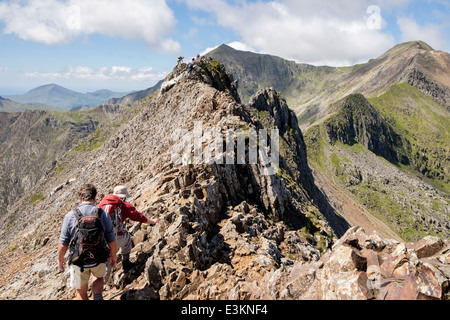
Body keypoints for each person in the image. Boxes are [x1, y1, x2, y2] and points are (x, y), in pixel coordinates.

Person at [58, 184, 117, 300]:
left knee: (80, 290)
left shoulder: (70, 216)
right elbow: (111, 239)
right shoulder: (102, 214)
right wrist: (113, 255)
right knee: (99, 277)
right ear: (95, 198)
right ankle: (98, 297)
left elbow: (63, 243)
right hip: (98, 257)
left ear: (80, 198)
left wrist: (60, 259)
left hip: (78, 260)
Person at [98, 185, 160, 283]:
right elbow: (137, 216)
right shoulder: (123, 205)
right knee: (127, 240)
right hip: (115, 236)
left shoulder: (102, 203)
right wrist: (152, 221)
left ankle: (98, 288)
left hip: (100, 238)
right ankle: (125, 264)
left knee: (105, 261)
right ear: (124, 196)